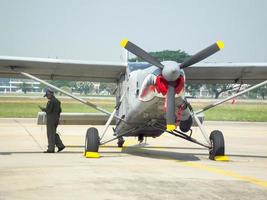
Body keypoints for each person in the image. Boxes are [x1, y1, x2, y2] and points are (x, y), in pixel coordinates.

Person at [39, 88, 65, 153]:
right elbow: (60, 110)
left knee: (50, 134)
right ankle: (60, 145)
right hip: (56, 119)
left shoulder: (51, 101)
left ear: (50, 94)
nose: (47, 97)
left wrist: (43, 109)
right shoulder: (58, 101)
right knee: (53, 133)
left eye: (47, 95)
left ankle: (51, 149)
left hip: (51, 119)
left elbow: (48, 111)